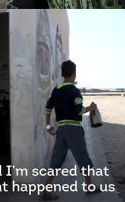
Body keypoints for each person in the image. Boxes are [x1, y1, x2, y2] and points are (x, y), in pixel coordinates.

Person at [42, 60, 100, 200]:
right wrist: (91, 108)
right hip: (74, 130)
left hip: (61, 130)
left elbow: (48, 108)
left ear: (62, 74)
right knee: (82, 158)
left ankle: (46, 189)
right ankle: (89, 186)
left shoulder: (56, 90)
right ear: (74, 75)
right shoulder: (75, 91)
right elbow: (79, 111)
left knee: (57, 160)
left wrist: (48, 125)